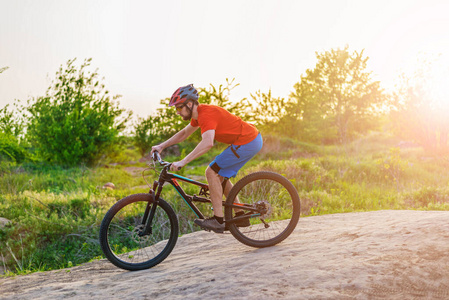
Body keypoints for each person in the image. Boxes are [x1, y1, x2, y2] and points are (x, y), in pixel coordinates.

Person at [151, 84, 263, 233]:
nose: (177, 112)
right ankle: (240, 215)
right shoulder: (198, 116)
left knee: (211, 171)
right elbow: (184, 134)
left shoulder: (206, 114)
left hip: (248, 141)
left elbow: (208, 142)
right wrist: (161, 146)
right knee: (220, 176)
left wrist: (183, 161)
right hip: (248, 140)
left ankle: (218, 220)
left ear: (189, 104)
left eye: (179, 107)